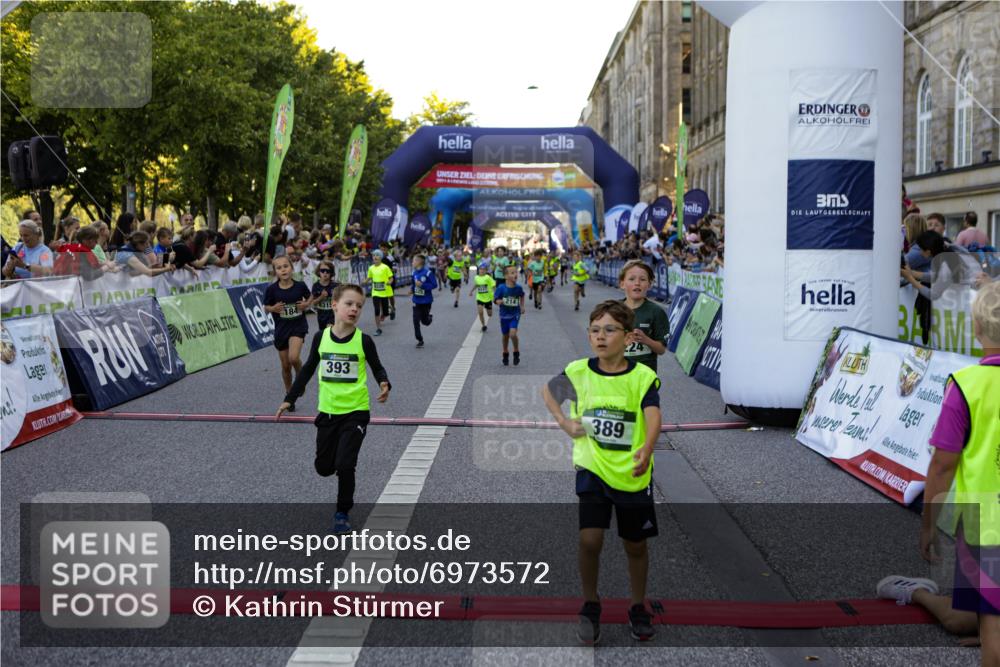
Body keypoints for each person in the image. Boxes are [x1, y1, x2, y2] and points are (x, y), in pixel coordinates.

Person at [541, 300, 662, 645]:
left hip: (632, 474)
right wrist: (564, 421)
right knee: (589, 539)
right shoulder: (579, 371)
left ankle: (638, 605)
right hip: (592, 467)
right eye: (595, 330)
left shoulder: (641, 377)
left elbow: (653, 415)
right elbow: (549, 392)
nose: (601, 336)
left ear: (628, 338)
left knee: (634, 544)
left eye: (610, 330)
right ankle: (591, 603)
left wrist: (648, 446)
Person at [919, 280, 1000, 665]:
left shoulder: (966, 387)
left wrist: (929, 524)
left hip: (987, 523)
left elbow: (942, 465)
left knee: (992, 631)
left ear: (976, 330)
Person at [276, 284, 391, 534]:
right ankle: (336, 474)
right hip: (327, 412)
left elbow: (377, 367)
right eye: (349, 304)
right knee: (324, 467)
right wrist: (290, 397)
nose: (354, 309)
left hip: (356, 411)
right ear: (334, 306)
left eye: (359, 306)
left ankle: (342, 512)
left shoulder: (364, 340)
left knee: (346, 464)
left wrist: (384, 382)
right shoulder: (321, 338)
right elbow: (307, 370)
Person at [264, 255, 311, 400]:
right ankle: (289, 393)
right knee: (285, 366)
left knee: (293, 357)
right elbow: (266, 307)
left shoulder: (300, 286)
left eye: (286, 266)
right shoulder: (271, 290)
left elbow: (310, 297)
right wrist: (273, 308)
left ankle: (300, 378)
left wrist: (306, 305)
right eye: (279, 268)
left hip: (298, 326)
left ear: (291, 268)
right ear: (275, 272)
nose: (283, 270)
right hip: (281, 328)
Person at [619, 260, 669, 373]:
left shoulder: (656, 312)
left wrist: (646, 340)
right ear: (622, 284)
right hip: (618, 375)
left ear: (649, 284)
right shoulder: (613, 310)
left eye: (642, 279)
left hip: (645, 375)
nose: (637, 283)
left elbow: (661, 350)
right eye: (631, 279)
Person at [493, 263, 525, 366]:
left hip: (515, 314)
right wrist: (498, 301)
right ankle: (505, 351)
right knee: (505, 335)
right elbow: (495, 299)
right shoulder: (501, 288)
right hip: (504, 315)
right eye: (512, 273)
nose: (515, 274)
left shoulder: (518, 288)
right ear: (506, 276)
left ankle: (516, 351)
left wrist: (522, 306)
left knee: (512, 334)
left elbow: (522, 295)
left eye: (516, 272)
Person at [410, 253, 438, 348]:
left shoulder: (428, 273)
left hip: (426, 301)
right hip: (416, 300)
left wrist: (423, 286)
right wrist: (412, 289)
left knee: (425, 322)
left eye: (413, 260)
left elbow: (434, 285)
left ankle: (429, 318)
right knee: (415, 320)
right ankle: (419, 339)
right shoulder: (413, 273)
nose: (412, 262)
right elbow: (413, 284)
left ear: (419, 262)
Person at [365, 249, 393, 336]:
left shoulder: (385, 267)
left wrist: (390, 282)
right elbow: (368, 278)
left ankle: (389, 310)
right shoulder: (371, 268)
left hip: (384, 292)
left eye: (377, 255)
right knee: (377, 310)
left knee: (385, 312)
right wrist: (363, 282)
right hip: (375, 293)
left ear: (380, 257)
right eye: (373, 255)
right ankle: (378, 328)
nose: (375, 257)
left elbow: (391, 277)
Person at [310, 260, 338, 330]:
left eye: (327, 271)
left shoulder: (335, 286)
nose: (325, 273)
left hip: (333, 315)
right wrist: (321, 297)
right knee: (323, 334)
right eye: (322, 270)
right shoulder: (316, 286)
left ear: (331, 273)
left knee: (329, 331)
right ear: (319, 272)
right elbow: (313, 303)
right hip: (321, 316)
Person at [468, 262, 496, 332]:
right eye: (480, 269)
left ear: (486, 271)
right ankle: (483, 325)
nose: (482, 270)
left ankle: (488, 310)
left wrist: (495, 295)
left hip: (488, 298)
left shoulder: (488, 278)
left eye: (484, 269)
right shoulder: (476, 277)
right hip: (479, 297)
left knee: (490, 314)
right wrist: (471, 291)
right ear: (478, 270)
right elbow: (477, 285)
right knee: (480, 312)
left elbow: (493, 286)